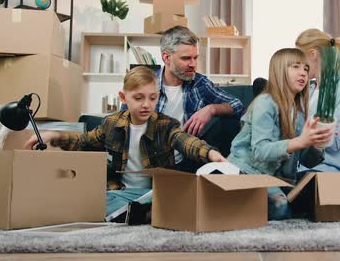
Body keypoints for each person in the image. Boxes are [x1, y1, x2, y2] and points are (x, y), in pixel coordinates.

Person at [24, 66, 227, 219]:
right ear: (124, 97)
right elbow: (83, 141)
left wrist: (211, 154)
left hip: (154, 193)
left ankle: (137, 214)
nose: (147, 104)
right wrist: (54, 135)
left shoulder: (165, 125)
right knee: (92, 200)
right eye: (138, 98)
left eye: (153, 98)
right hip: (119, 193)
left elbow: (186, 141)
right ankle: (133, 214)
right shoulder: (111, 124)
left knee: (177, 201)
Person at [227, 48, 333, 220]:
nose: (303, 73)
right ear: (279, 70)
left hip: (275, 177)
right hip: (246, 172)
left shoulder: (298, 111)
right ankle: (235, 203)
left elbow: (305, 160)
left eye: (306, 69)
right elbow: (261, 151)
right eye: (295, 67)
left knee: (314, 200)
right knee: (281, 207)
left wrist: (318, 144)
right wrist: (299, 141)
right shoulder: (265, 103)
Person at [154, 26, 244, 166]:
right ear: (166, 57)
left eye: (195, 58)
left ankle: (226, 172)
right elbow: (124, 121)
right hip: (156, 159)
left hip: (191, 156)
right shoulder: (146, 84)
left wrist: (211, 109)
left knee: (230, 123)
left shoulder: (199, 83)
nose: (193, 65)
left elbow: (237, 105)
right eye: (186, 58)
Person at [295, 28, 340, 175]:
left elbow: (334, 142)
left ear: (312, 54)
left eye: (299, 58)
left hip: (331, 171)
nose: (298, 65)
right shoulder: (308, 91)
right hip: (302, 170)